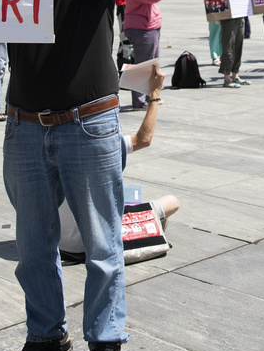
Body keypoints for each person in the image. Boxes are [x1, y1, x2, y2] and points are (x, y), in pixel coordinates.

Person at [0, 0, 159, 351]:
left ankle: (106, 343)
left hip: (87, 125)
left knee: (101, 242)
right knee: (32, 248)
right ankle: (46, 337)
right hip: (24, 127)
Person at [58, 67, 180, 262]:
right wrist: (155, 95)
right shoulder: (101, 141)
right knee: (172, 201)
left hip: (61, 242)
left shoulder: (48, 140)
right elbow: (144, 139)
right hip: (96, 238)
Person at [123, 0, 176, 108]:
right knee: (143, 66)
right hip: (142, 29)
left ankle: (149, 97)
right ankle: (139, 101)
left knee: (152, 64)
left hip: (150, 27)